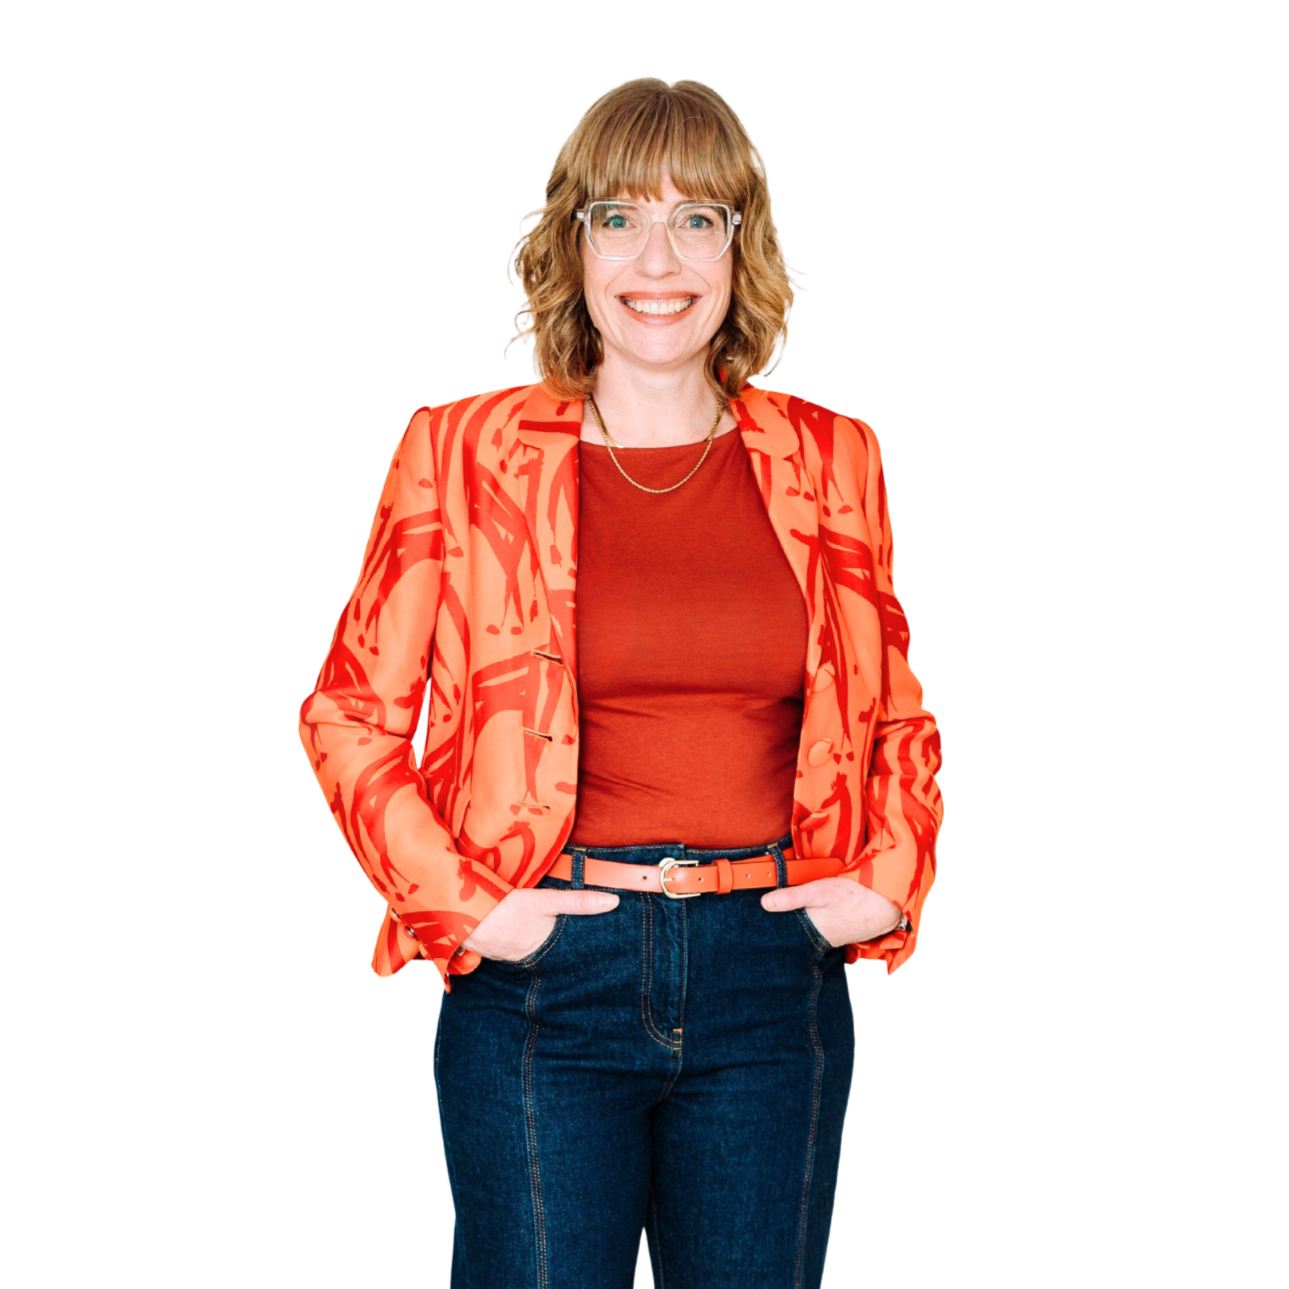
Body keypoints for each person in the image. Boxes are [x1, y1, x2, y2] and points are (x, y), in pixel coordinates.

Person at [297, 76, 944, 1289]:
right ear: (570, 243)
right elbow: (348, 712)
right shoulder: (459, 448)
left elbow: (894, 704)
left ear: (740, 245)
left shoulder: (832, 455)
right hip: (541, 971)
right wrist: (471, 909)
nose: (658, 259)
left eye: (695, 218)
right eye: (618, 218)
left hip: (773, 971)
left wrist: (888, 881)